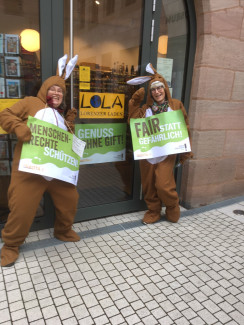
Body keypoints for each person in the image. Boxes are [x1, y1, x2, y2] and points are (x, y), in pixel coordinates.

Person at [0, 55, 80, 267]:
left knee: (70, 198)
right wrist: (19, 127)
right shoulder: (30, 103)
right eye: (53, 89)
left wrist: (70, 125)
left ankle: (63, 230)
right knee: (22, 207)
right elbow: (5, 114)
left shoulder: (61, 116)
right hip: (29, 168)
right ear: (45, 89)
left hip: (56, 170)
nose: (57, 93)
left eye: (61, 91)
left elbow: (68, 144)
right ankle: (10, 244)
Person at [127, 63, 193, 225]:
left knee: (164, 184)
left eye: (159, 88)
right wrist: (134, 102)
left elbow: (185, 126)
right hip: (148, 154)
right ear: (150, 93)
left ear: (165, 89)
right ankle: (154, 210)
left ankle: (172, 207)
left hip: (167, 152)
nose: (157, 92)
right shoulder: (145, 109)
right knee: (149, 185)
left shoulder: (175, 105)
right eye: (153, 89)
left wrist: (186, 149)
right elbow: (133, 122)